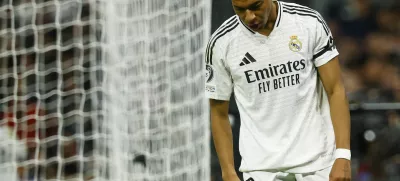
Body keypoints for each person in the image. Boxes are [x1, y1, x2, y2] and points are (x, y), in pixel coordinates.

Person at [205, 0, 351, 180]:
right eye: (240, 10)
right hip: (260, 170)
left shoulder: (308, 22)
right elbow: (218, 112)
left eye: (256, 6)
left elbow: (335, 89)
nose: (249, 16)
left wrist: (343, 155)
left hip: (318, 166)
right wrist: (228, 172)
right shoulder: (222, 42)